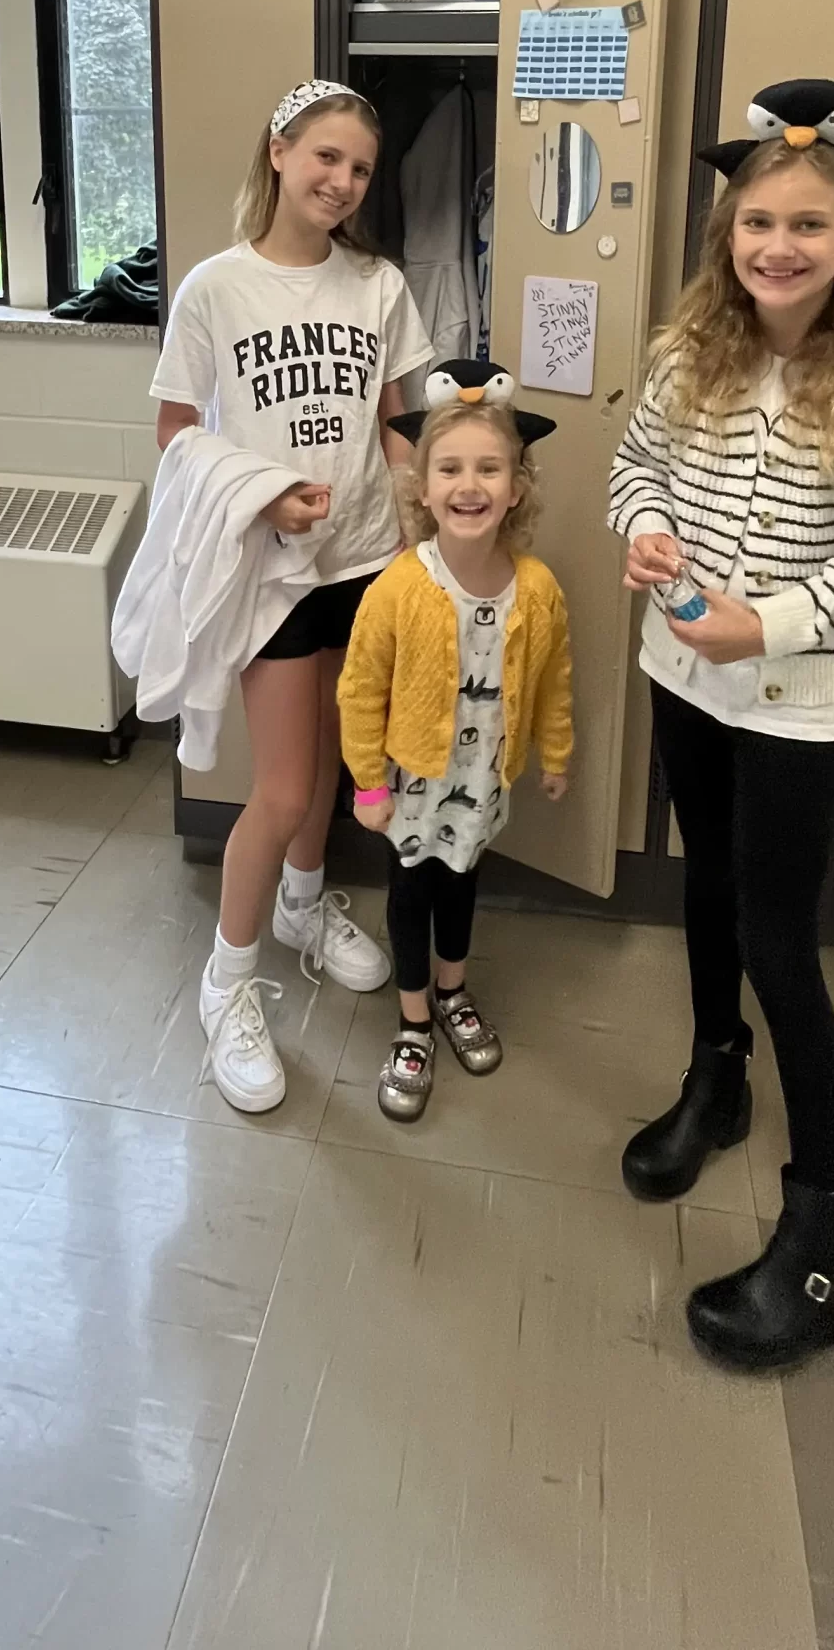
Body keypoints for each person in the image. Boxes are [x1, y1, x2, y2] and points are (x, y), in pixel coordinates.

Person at [608, 78, 834, 1372]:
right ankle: (717, 1079)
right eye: (759, 223)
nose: (779, 246)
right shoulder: (688, 350)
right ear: (729, 233)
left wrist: (769, 625)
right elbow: (636, 468)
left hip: (794, 701)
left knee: (777, 937)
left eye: (808, 224)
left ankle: (825, 1231)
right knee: (706, 885)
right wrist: (646, 529)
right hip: (684, 674)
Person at [151, 79, 433, 1113]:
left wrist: (418, 529)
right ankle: (225, 983)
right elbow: (177, 433)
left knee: (333, 758)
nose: (343, 181)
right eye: (326, 157)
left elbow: (396, 421)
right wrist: (265, 495)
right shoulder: (215, 289)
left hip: (362, 559)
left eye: (360, 168)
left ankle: (304, 905)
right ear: (278, 151)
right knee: (278, 788)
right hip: (273, 567)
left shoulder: (378, 285)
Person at [337, 360, 573, 1121]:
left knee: (463, 881)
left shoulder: (536, 588)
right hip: (411, 783)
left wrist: (556, 754)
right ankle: (413, 1023)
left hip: (482, 778)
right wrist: (367, 783)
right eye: (450, 469)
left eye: (489, 468)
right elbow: (360, 691)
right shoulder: (398, 588)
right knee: (412, 891)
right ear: (422, 486)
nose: (469, 486)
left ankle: (452, 990)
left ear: (517, 486)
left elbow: (554, 678)